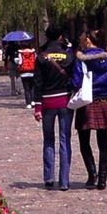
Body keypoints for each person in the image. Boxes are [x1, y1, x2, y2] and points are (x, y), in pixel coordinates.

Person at [68, 28, 107, 190]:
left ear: (88, 41)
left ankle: (92, 176)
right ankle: (103, 180)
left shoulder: (81, 60)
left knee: (84, 142)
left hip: (87, 103)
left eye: (83, 39)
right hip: (105, 102)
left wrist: (68, 81)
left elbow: (76, 82)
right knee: (103, 144)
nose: (81, 42)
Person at [33, 28, 74, 190]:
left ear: (47, 38)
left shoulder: (41, 57)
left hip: (47, 102)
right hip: (65, 101)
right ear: (60, 37)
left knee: (48, 139)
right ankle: (64, 181)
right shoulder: (68, 55)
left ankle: (49, 178)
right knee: (65, 140)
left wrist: (37, 107)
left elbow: (37, 83)